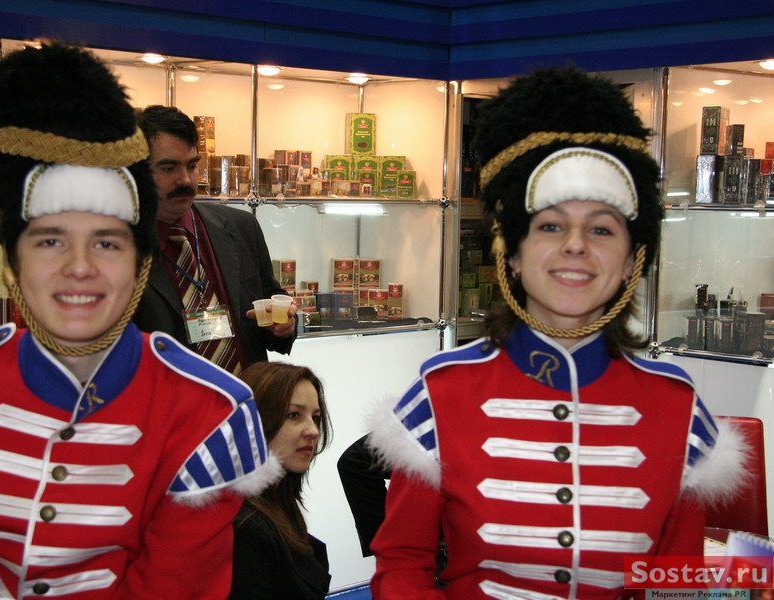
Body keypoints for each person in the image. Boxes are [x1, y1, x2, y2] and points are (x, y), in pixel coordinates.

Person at [0, 44, 279, 599]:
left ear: (140, 263)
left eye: (107, 242)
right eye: (50, 241)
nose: (80, 268)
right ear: (11, 261)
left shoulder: (211, 415)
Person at [366, 66, 750, 599]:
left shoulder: (678, 407)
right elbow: (403, 563)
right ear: (512, 253)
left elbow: (676, 583)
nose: (575, 245)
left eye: (602, 229)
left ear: (632, 260)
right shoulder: (441, 392)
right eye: (550, 225)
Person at [132, 105, 297, 375]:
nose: (185, 180)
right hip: (170, 397)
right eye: (169, 168)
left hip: (246, 394)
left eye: (192, 166)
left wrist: (283, 325)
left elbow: (271, 298)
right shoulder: (118, 247)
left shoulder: (240, 226)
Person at [230, 361, 333, 600]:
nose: (313, 431)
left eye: (315, 417)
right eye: (294, 415)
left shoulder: (277, 505)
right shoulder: (245, 529)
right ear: (255, 422)